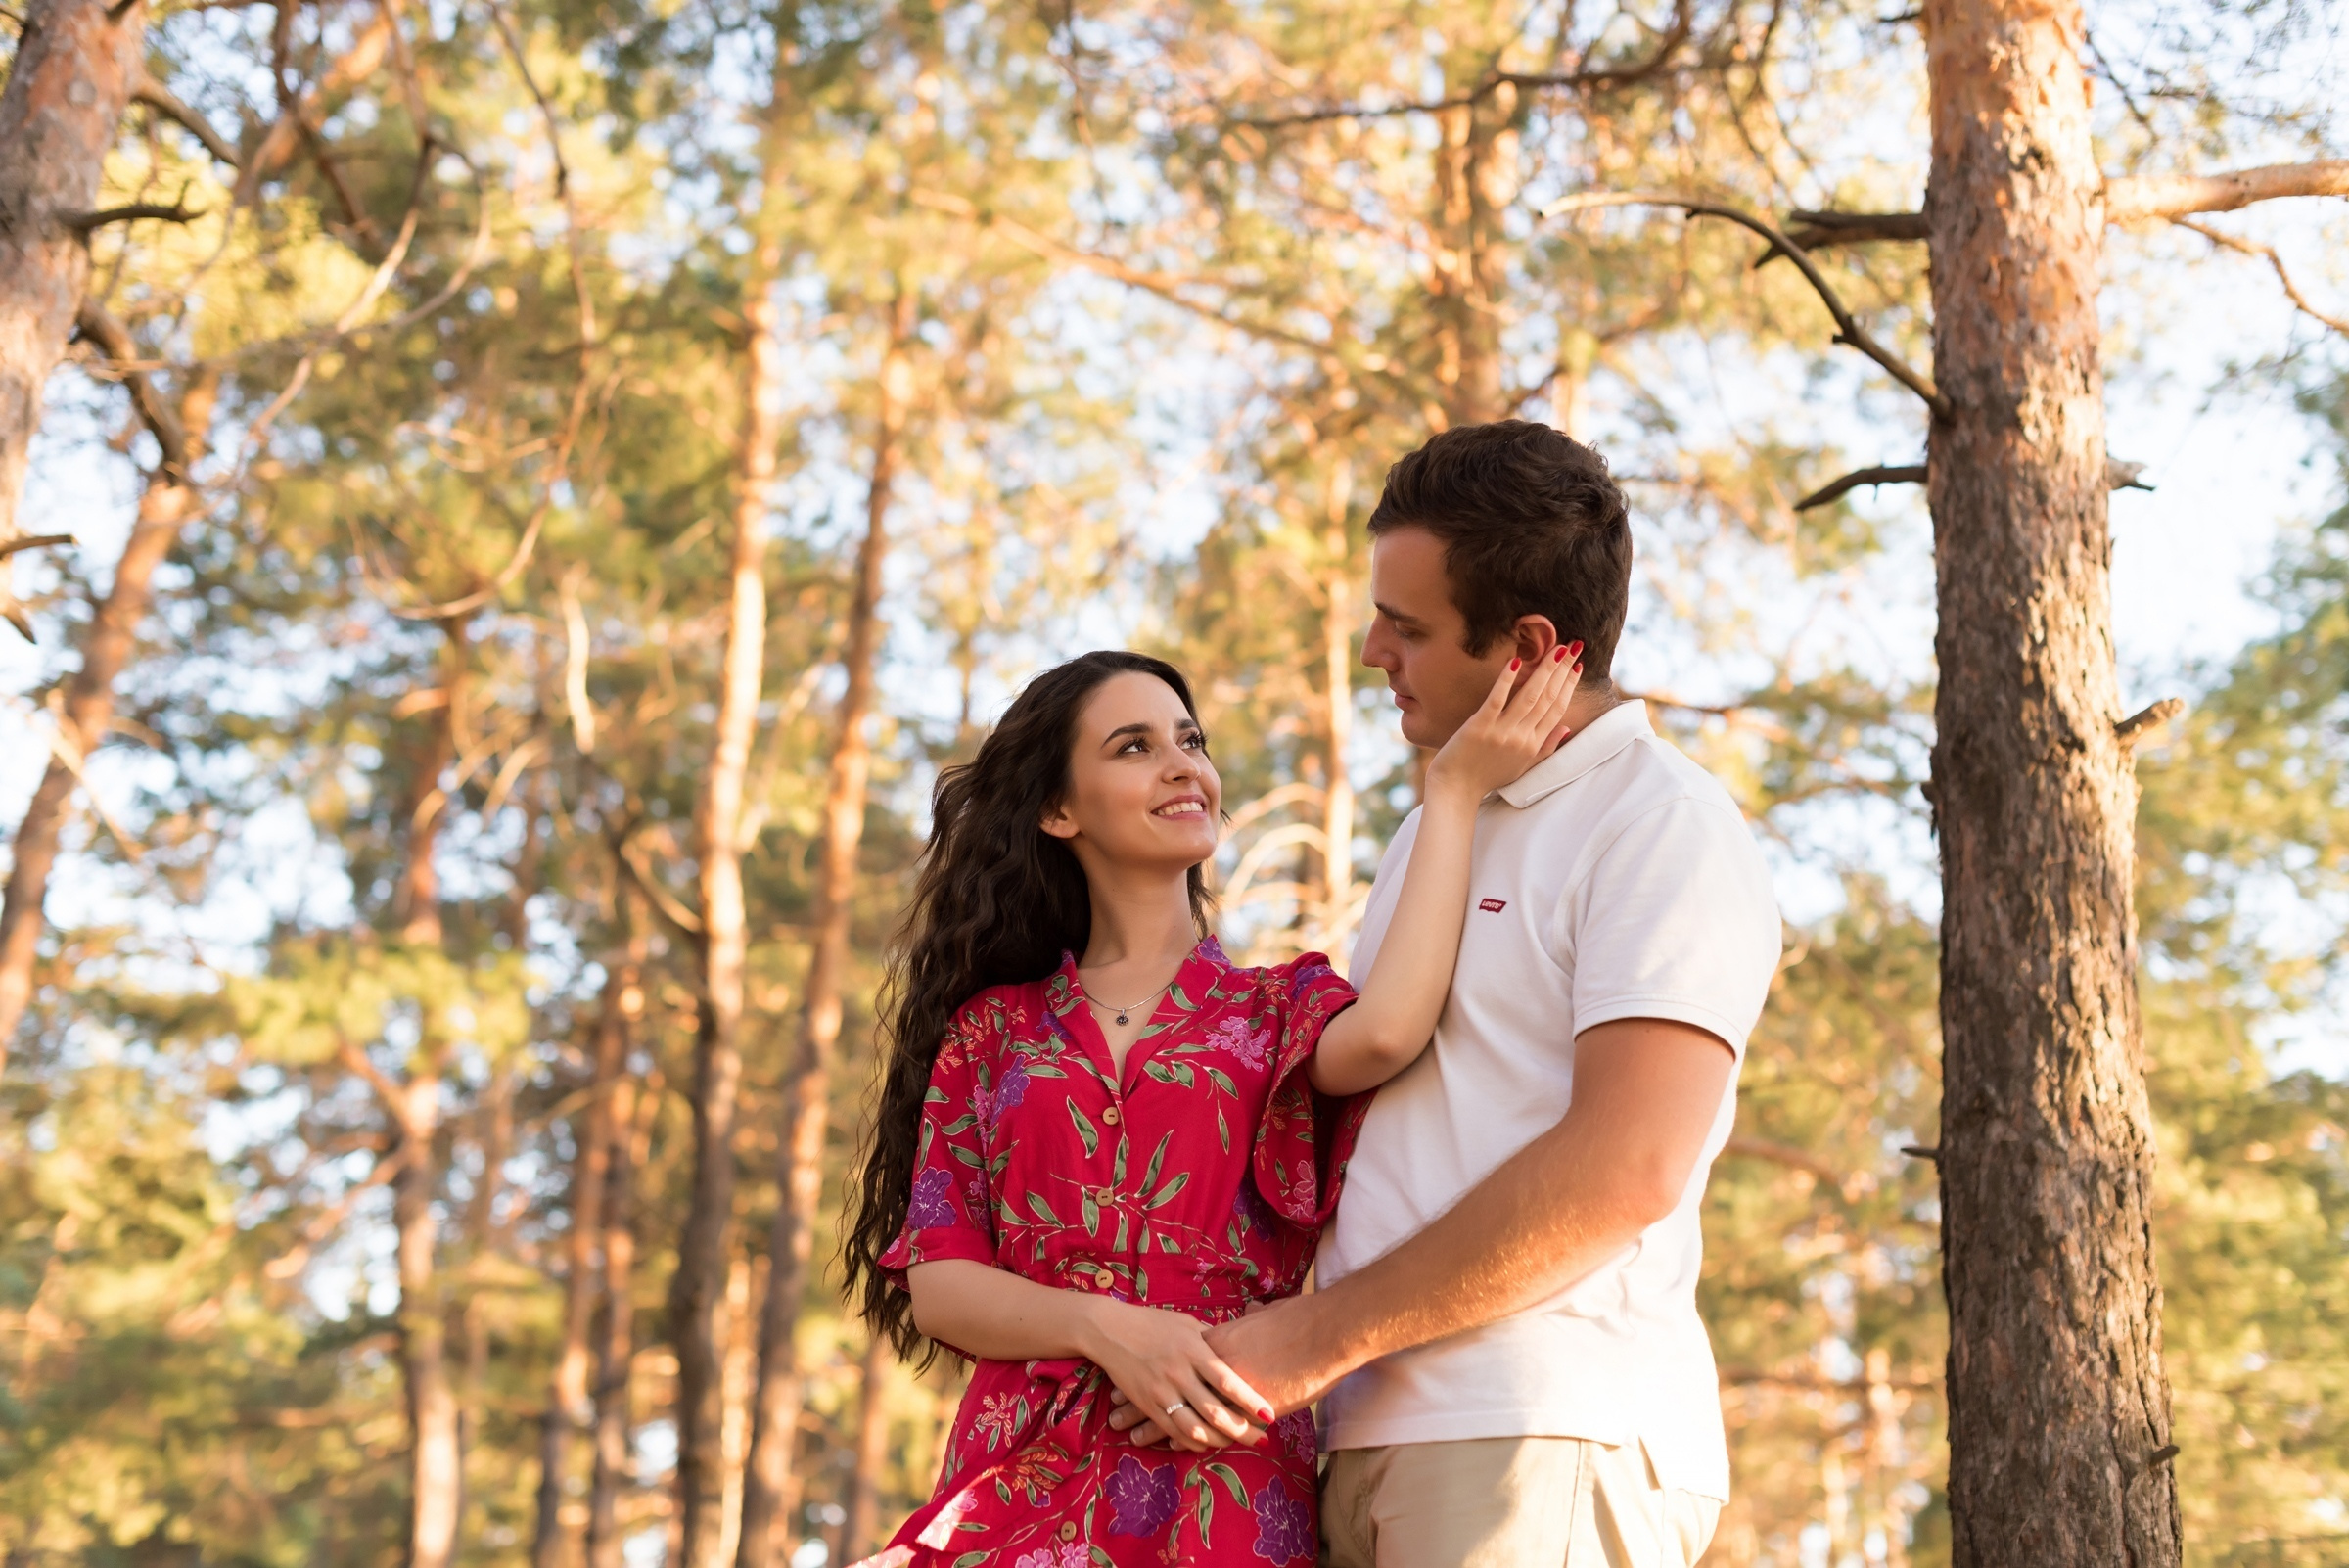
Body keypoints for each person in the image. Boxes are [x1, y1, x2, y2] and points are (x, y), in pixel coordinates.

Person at [1111, 421, 1783, 1566]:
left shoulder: (1661, 826)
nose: (1374, 651)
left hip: (1536, 1433)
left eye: (1407, 627)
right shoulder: (1440, 823)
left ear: (1525, 646)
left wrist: (1310, 1340)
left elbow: (1627, 1169)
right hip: (1370, 1435)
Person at [840, 643, 1585, 1566]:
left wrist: (1455, 791)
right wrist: (1106, 1328)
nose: (1182, 763)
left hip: (1216, 1479)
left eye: (1189, 740)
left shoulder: (1274, 1013)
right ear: (1058, 810)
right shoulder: (994, 1034)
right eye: (1133, 746)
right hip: (1019, 1477)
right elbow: (945, 1283)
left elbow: (1391, 1031)